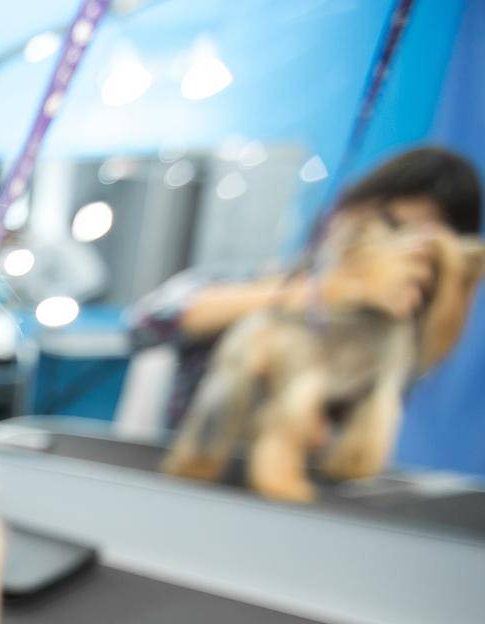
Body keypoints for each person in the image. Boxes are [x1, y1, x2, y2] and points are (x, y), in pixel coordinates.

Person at [129, 145, 483, 425]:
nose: (395, 248)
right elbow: (147, 324)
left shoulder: (394, 343)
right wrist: (332, 291)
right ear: (350, 207)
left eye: (423, 244)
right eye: (390, 222)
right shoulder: (257, 280)